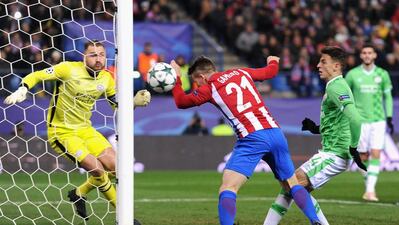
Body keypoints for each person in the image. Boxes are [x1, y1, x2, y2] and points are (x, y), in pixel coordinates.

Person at [3, 40, 151, 220]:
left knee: (116, 168)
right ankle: (126, 218)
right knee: (97, 169)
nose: (98, 59)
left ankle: (78, 193)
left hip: (86, 130)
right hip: (62, 132)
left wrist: (133, 103)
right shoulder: (68, 69)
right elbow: (38, 75)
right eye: (93, 55)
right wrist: (23, 88)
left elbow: (117, 107)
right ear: (84, 57)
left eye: (102, 55)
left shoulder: (106, 78)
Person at [170, 56, 321, 225]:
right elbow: (270, 72)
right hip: (276, 133)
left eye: (196, 82)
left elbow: (181, 102)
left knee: (228, 188)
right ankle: (315, 221)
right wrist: (273, 61)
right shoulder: (241, 72)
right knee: (291, 184)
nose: (197, 87)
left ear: (203, 77)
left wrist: (177, 78)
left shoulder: (211, 87)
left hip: (252, 138)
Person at [263, 46, 366, 225]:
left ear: (336, 66)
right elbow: (339, 120)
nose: (318, 65)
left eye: (323, 61)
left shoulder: (336, 87)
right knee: (290, 189)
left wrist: (353, 147)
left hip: (335, 154)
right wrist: (317, 128)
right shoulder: (335, 86)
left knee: (292, 183)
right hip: (333, 151)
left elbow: (356, 119)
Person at [345, 43, 394, 201]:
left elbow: (388, 97)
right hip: (360, 122)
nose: (367, 55)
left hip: (378, 120)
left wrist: (390, 117)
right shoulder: (352, 75)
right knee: (363, 156)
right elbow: (345, 96)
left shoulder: (383, 74)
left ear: (374, 55)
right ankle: (369, 186)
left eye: (369, 53)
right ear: (361, 56)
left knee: (376, 153)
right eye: (364, 53)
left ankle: (370, 190)